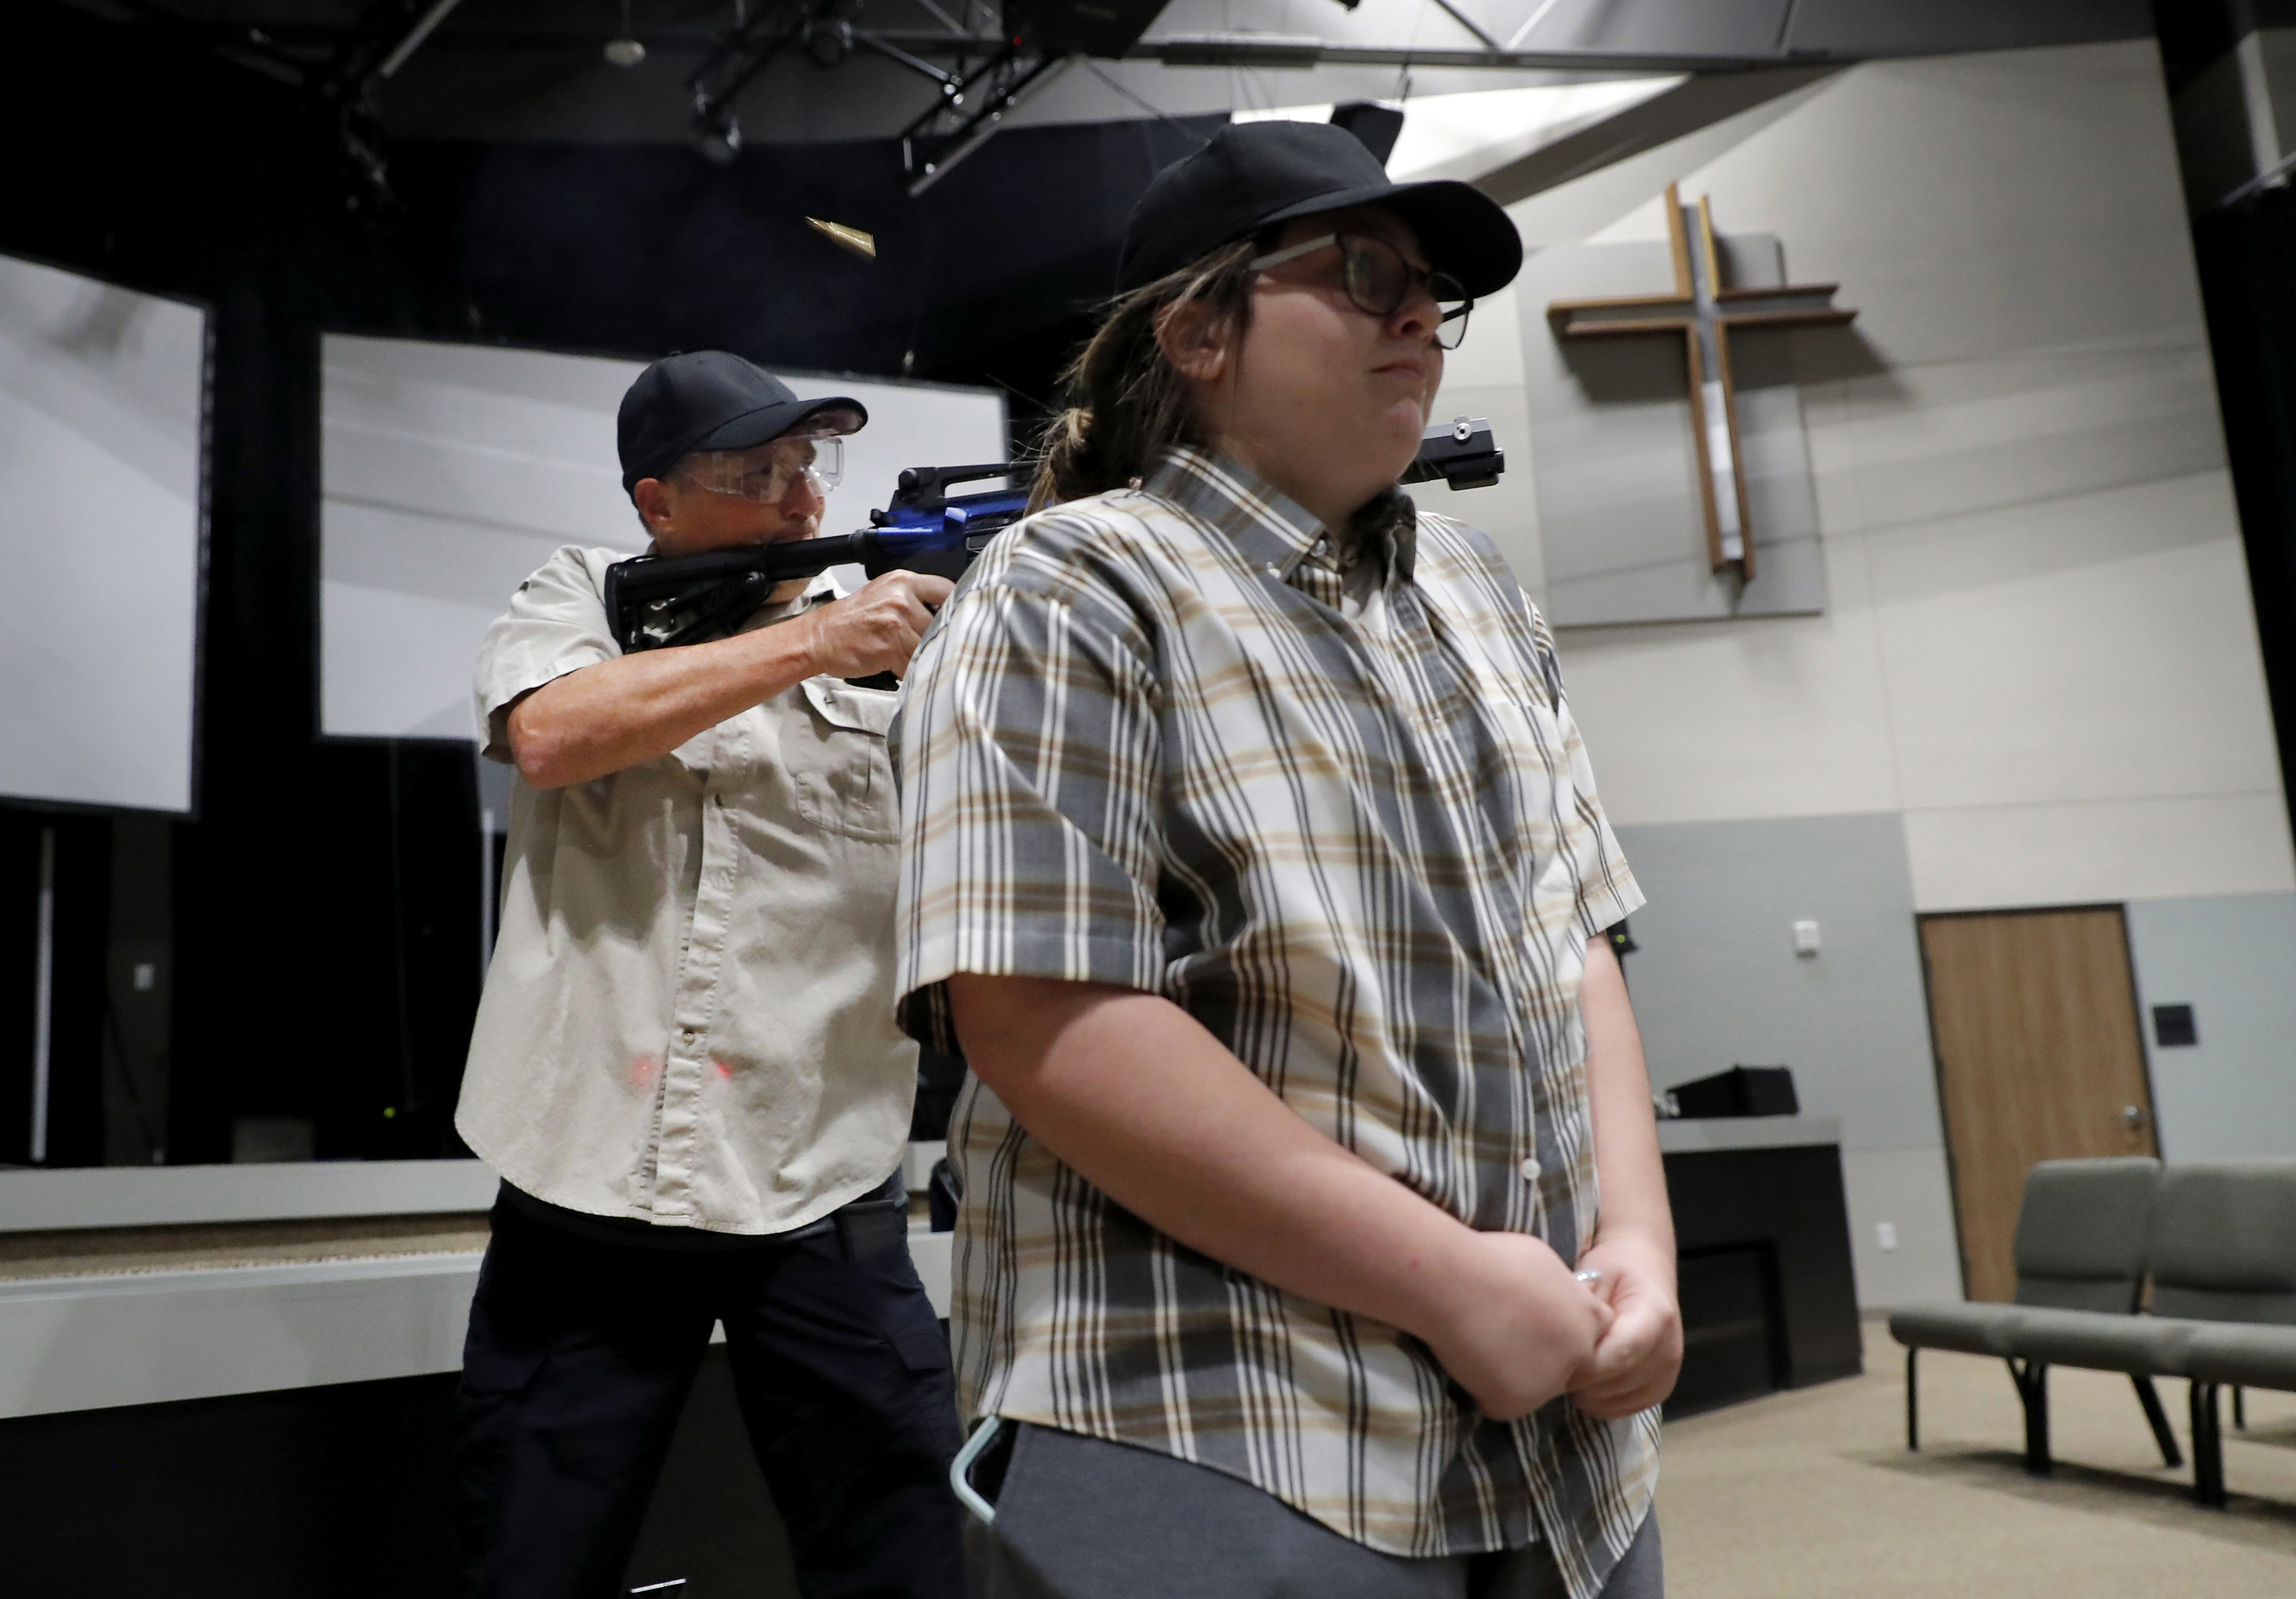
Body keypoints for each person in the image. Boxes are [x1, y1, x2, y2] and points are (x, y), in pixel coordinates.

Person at [890, 122, 1681, 1599]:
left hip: (1557, 1432)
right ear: (1196, 331)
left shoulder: (1477, 589)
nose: (1412, 315)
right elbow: (1041, 1014)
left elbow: (1574, 936)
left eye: (1429, 289)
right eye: (1361, 270)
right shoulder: (1074, 583)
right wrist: (1450, 1282)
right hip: (1227, 1418)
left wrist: (1638, 1238)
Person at [451, 350, 963, 1599]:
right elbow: (555, 733)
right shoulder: (578, 592)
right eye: (754, 472)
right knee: (530, 1552)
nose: (797, 501)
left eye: (804, 468)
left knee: (903, 1553)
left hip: (821, 1168)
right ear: (657, 505)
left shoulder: (899, 642)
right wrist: (814, 644)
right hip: (592, 1166)